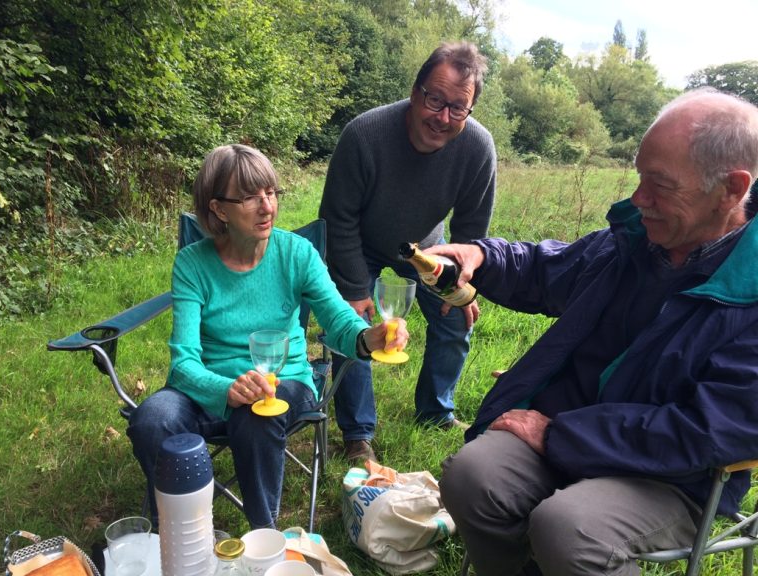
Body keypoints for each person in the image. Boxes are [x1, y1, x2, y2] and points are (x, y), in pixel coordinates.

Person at [436, 88, 758, 576]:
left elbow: (708, 431)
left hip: (673, 477)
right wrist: (481, 257)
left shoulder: (749, 291)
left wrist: (560, 434)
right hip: (568, 434)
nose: (638, 199)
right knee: (472, 475)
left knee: (568, 527)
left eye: (660, 185)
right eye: (639, 177)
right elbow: (549, 269)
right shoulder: (635, 240)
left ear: (731, 189)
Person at [127, 144, 408, 529]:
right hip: (210, 388)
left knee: (257, 411)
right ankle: (180, 530)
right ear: (218, 209)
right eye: (248, 196)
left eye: (271, 192)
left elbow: (339, 319)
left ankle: (264, 536)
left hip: (285, 383)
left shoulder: (297, 253)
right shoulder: (193, 263)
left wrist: (368, 338)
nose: (266, 206)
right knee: (150, 420)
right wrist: (227, 388)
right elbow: (184, 361)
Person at [319, 41, 497, 461]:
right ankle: (358, 434)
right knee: (350, 322)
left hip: (427, 246)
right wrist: (351, 288)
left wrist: (462, 285)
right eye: (435, 99)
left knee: (458, 315)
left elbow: (471, 234)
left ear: (470, 110)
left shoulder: (477, 147)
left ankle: (436, 410)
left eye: (458, 107)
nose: (443, 116)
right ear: (415, 92)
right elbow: (337, 218)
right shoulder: (365, 133)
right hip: (358, 241)